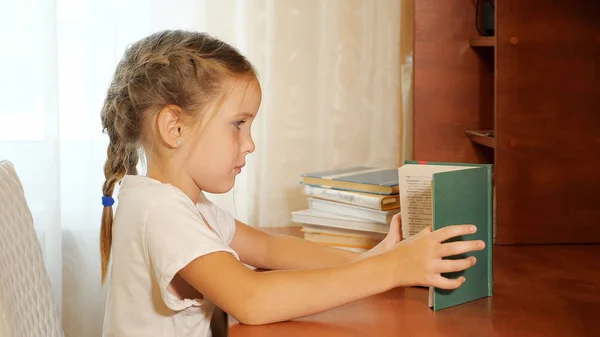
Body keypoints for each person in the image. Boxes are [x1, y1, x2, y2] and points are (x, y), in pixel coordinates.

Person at [99, 29, 485, 337]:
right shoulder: (161, 212)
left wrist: (380, 260)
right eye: (238, 124)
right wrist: (392, 270)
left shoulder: (182, 204)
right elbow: (251, 301)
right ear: (175, 126)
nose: (250, 144)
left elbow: (270, 248)